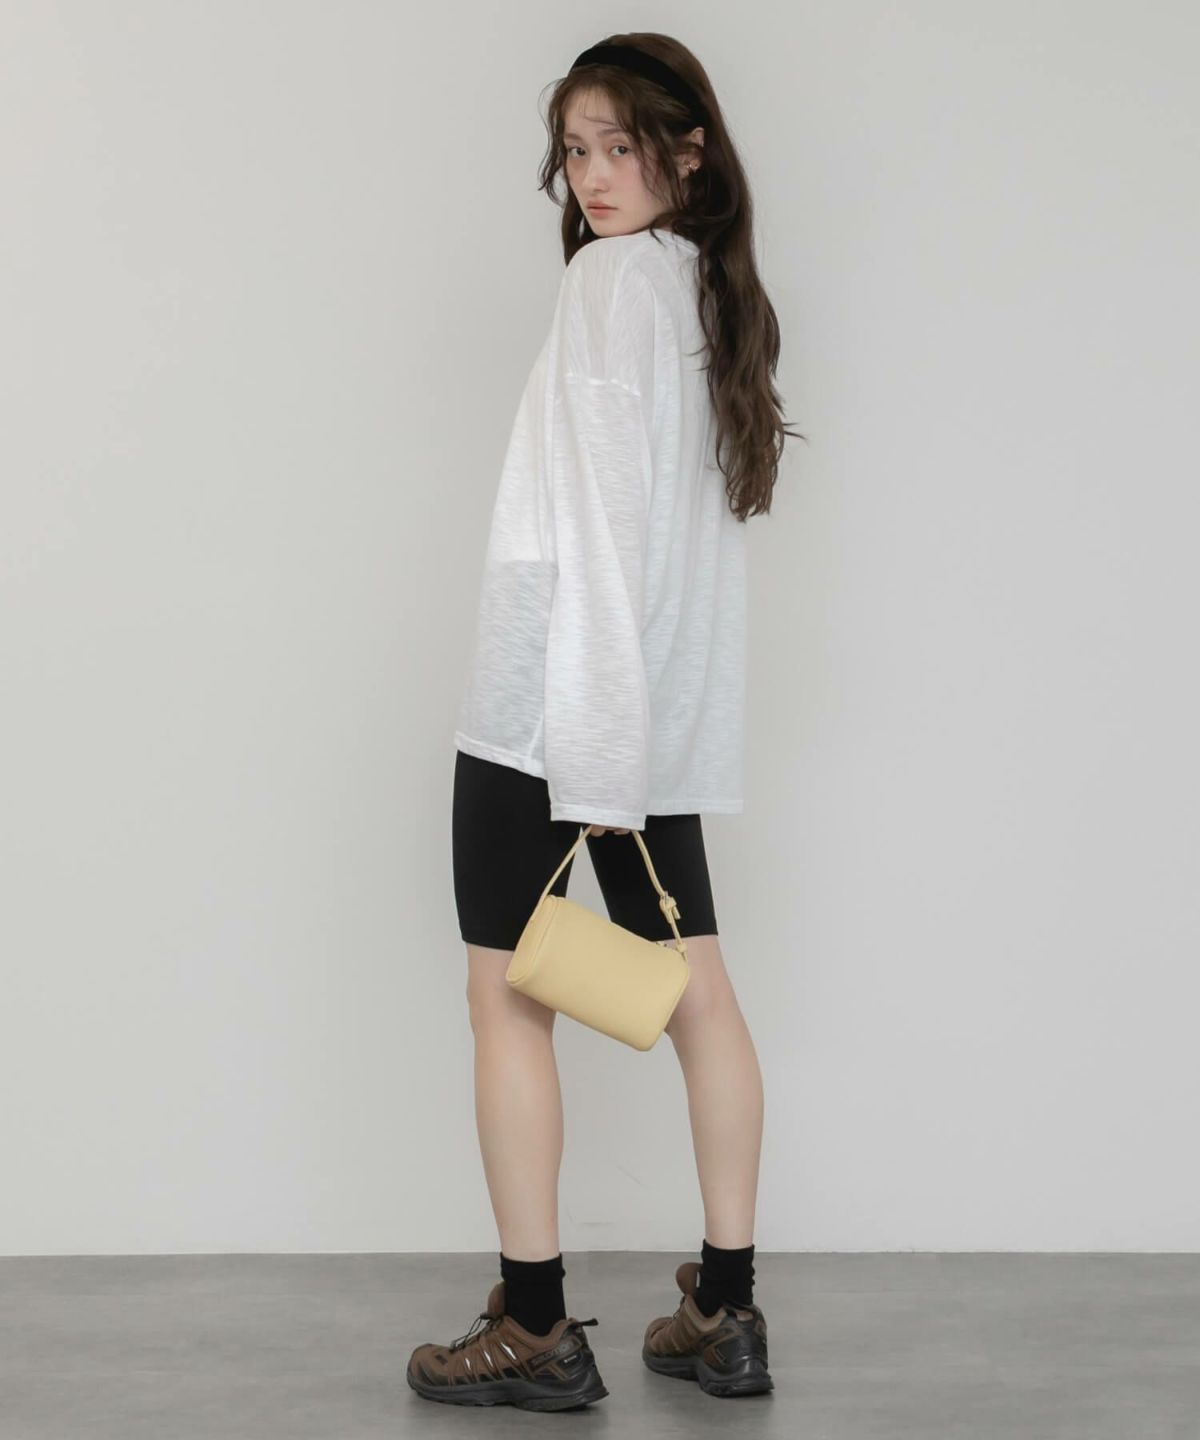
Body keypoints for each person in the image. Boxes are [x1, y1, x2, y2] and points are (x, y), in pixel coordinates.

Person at [408, 32, 802, 1410]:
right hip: (649, 721)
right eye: (574, 152)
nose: (590, 176)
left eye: (617, 146)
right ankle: (727, 1310)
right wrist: (634, 750)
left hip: (554, 714)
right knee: (701, 995)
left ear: (686, 151)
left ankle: (533, 1326)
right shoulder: (710, 296)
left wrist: (590, 755)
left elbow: (589, 535)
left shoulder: (606, 286)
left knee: (506, 996)